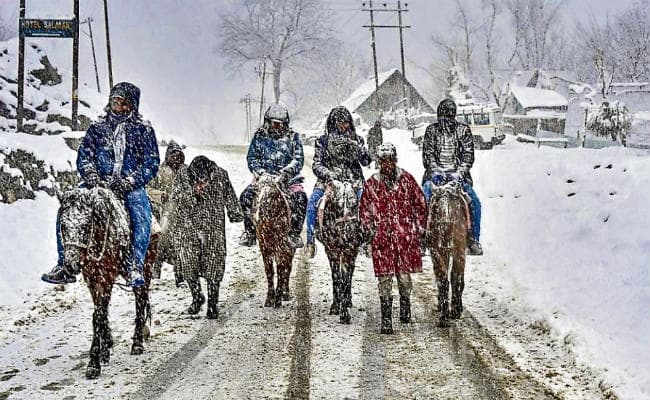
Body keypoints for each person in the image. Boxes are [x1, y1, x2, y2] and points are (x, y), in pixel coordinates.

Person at [41, 82, 160, 287]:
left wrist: (130, 181)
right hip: (98, 183)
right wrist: (92, 176)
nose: (118, 106)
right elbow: (84, 156)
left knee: (141, 215)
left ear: (132, 105)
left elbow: (151, 163)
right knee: (68, 207)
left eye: (123, 103)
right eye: (115, 102)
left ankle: (135, 266)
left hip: (129, 186)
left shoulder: (143, 129)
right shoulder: (97, 127)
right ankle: (64, 264)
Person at [359, 142, 427, 334]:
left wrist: (418, 228)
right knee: (384, 279)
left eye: (390, 160)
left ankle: (405, 305)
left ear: (395, 160)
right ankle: (386, 318)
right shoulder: (372, 184)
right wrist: (369, 229)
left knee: (404, 278)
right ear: (379, 162)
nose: (386, 164)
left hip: (404, 238)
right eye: (383, 161)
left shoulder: (407, 180)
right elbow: (364, 210)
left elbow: (420, 204)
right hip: (382, 239)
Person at [172, 156, 244, 319]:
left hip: (213, 228)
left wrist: (235, 212)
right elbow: (176, 198)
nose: (202, 181)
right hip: (188, 228)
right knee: (188, 265)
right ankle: (197, 296)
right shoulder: (183, 176)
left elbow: (230, 196)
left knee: (214, 266)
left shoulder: (221, 175)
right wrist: (193, 193)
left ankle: (212, 303)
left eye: (204, 179)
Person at [304, 106, 371, 258]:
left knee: (367, 203)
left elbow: (366, 161)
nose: (343, 126)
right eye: (339, 122)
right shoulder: (323, 141)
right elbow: (316, 164)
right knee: (312, 203)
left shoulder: (357, 139)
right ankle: (310, 240)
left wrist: (358, 148)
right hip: (328, 182)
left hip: (353, 181)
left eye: (346, 122)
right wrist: (329, 174)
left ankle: (367, 239)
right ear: (333, 123)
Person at [238, 103, 307, 249]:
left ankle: (294, 233)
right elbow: (252, 158)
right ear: (267, 122)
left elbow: (298, 159)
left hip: (288, 181)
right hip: (263, 180)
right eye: (274, 123)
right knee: (245, 197)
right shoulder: (259, 137)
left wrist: (287, 172)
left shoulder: (293, 137)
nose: (277, 127)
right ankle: (250, 232)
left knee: (301, 199)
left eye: (280, 124)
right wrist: (261, 173)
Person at [422, 98, 483, 256]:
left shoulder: (463, 130)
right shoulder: (431, 131)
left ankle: (473, 239)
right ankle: (421, 237)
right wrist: (437, 171)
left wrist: (459, 173)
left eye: (449, 117)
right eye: (443, 117)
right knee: (422, 200)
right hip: (435, 177)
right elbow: (428, 155)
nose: (445, 121)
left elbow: (468, 156)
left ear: (454, 116)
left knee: (475, 203)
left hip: (458, 178)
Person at [146, 140, 188, 285]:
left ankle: (181, 275)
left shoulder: (187, 171)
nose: (176, 159)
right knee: (160, 237)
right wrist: (160, 195)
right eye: (173, 155)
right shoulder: (159, 171)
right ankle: (156, 269)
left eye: (178, 155)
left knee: (183, 244)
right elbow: (148, 189)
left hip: (184, 212)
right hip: (164, 211)